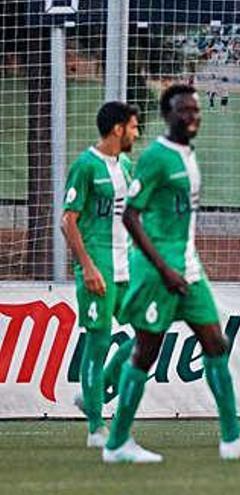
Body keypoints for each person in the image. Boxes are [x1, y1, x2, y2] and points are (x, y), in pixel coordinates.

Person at [104, 84, 240, 462]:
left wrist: (183, 263)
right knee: (145, 352)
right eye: (184, 110)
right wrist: (164, 267)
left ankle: (232, 438)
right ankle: (116, 443)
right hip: (158, 271)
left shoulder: (188, 153)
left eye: (196, 110)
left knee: (216, 343)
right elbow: (131, 214)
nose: (192, 117)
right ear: (168, 115)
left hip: (189, 268)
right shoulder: (155, 157)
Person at [62, 101, 141, 448]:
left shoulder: (125, 164)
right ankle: (96, 426)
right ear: (118, 129)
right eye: (134, 127)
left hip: (128, 265)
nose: (138, 133)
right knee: (97, 343)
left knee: (150, 334)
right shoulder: (85, 165)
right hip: (99, 268)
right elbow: (68, 221)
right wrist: (88, 266)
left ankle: (97, 390)